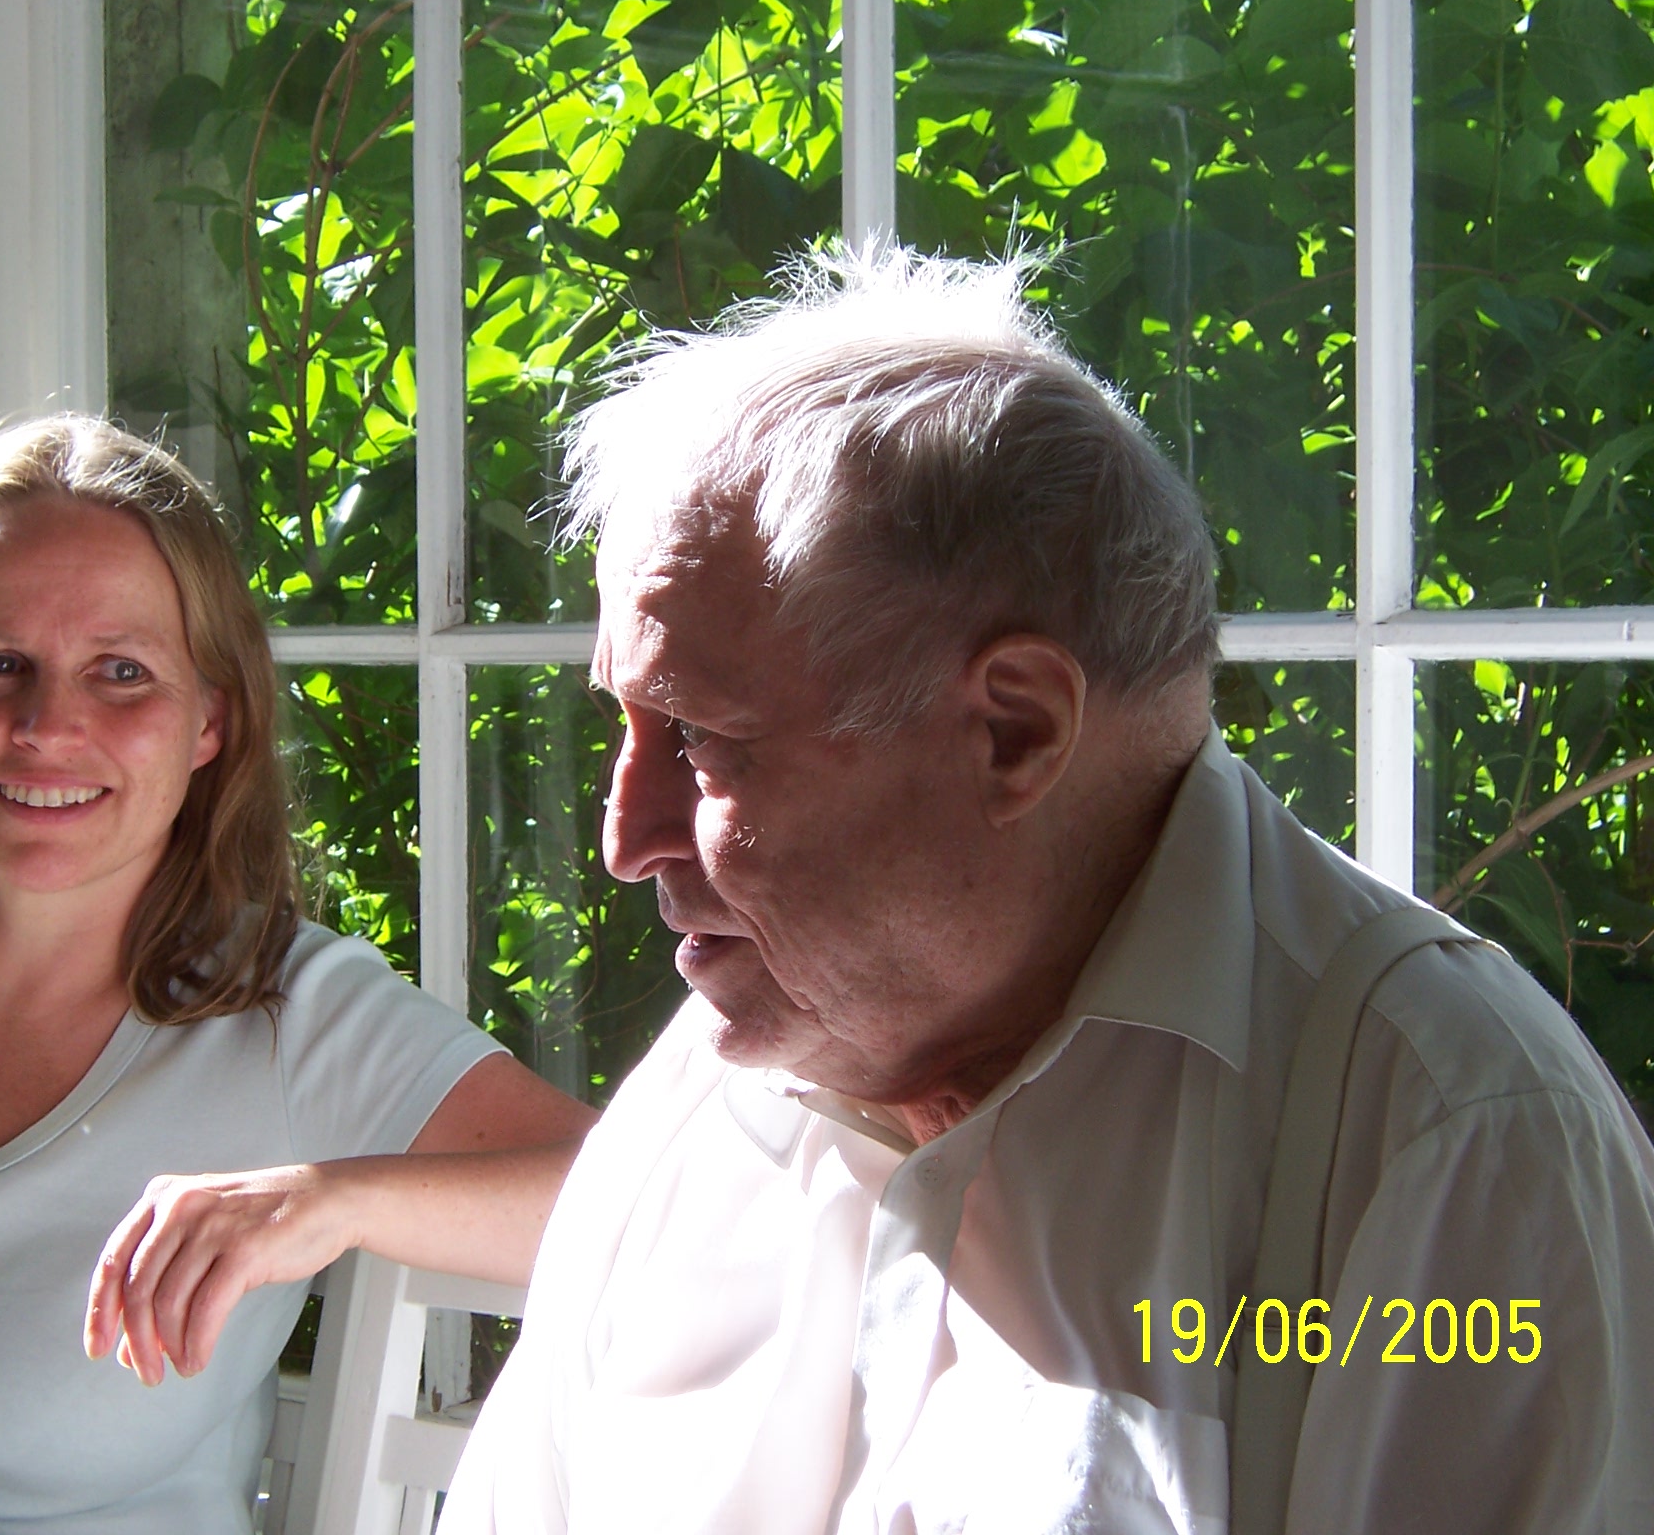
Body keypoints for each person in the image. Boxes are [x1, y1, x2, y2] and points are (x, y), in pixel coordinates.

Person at [439, 248, 1654, 1534]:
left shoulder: (1442, 1138)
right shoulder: (699, 1101)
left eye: (698, 742)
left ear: (1012, 731)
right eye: (622, 730)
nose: (626, 840)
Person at [0, 417, 594, 1535]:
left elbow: (649, 1202)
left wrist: (332, 1200)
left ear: (210, 719)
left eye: (121, 673)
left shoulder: (295, 1013)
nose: (46, 726)